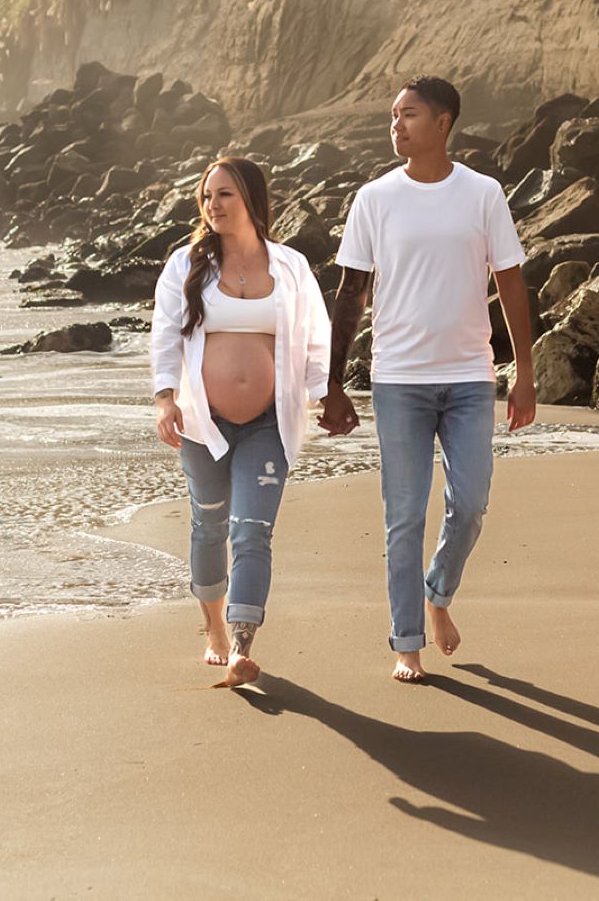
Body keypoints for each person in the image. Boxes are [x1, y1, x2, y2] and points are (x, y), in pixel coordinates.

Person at [322, 76, 537, 683]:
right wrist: (335, 384)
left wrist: (524, 372)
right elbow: (351, 292)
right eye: (393, 116)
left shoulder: (483, 194)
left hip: (471, 377)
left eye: (409, 114)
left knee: (469, 504)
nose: (397, 124)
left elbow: (510, 282)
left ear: (443, 123)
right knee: (404, 515)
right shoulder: (374, 199)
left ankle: (438, 591)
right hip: (399, 382)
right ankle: (406, 641)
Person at [151, 156, 332, 688]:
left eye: (225, 194)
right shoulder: (185, 267)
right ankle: (212, 631)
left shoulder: (291, 267)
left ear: (251, 199)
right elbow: (165, 335)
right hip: (202, 423)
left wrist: (322, 394)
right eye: (207, 196)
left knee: (252, 532)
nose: (213, 205)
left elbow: (316, 336)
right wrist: (165, 400)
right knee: (210, 526)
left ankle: (241, 646)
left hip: (268, 423)